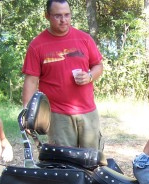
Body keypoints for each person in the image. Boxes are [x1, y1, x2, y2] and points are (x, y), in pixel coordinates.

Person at [22, 0, 104, 150]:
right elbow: (31, 80)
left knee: (92, 161)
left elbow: (98, 65)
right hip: (57, 115)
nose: (63, 20)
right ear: (47, 16)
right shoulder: (37, 45)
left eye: (67, 15)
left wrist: (90, 76)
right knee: (64, 164)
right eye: (58, 16)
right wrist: (27, 114)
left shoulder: (84, 38)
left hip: (88, 111)